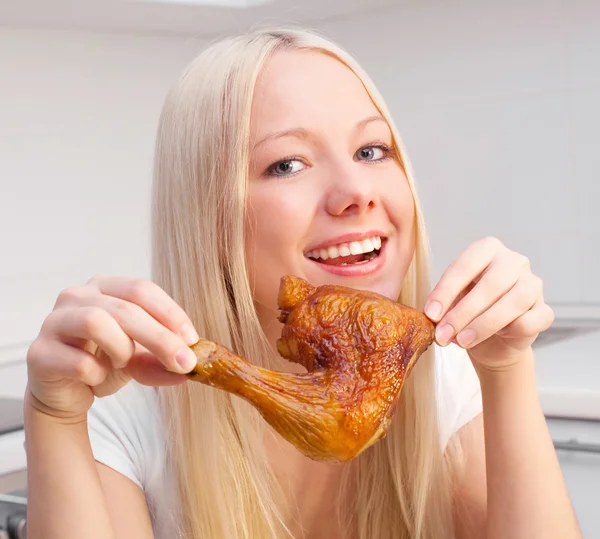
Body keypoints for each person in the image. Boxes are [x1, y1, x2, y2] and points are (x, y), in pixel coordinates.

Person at [23, 27, 581, 539]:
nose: (356, 191)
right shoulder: (129, 411)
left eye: (371, 150)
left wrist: (506, 370)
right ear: (208, 217)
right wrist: (55, 419)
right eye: (288, 164)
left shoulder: (443, 375)